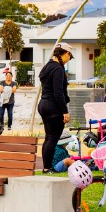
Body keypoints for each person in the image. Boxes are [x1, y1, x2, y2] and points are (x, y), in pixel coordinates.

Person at [38, 44, 73, 173]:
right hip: (53, 107)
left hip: (43, 104)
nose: (68, 60)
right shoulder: (58, 69)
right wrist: (65, 111)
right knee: (52, 138)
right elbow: (58, 92)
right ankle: (48, 168)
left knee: (48, 138)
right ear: (66, 54)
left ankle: (46, 166)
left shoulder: (47, 67)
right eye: (69, 57)